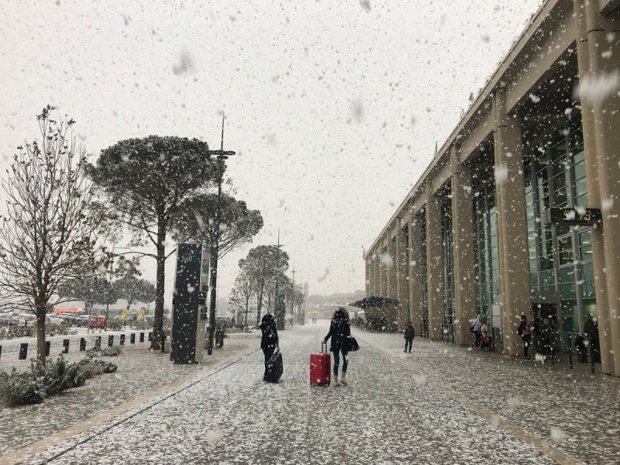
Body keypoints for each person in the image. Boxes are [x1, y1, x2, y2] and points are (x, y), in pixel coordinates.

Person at [323, 307, 351, 386]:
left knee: (336, 360)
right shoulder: (346, 321)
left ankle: (335, 380)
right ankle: (343, 377)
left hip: (335, 342)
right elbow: (348, 334)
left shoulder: (334, 321)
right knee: (346, 359)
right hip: (344, 342)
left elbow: (330, 332)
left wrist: (325, 339)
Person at [259, 313, 279, 381]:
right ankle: (269, 373)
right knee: (269, 358)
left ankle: (267, 373)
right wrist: (277, 343)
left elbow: (264, 334)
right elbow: (275, 334)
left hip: (265, 344)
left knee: (266, 358)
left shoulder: (263, 326)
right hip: (271, 343)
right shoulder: (272, 326)